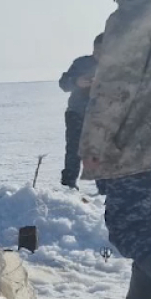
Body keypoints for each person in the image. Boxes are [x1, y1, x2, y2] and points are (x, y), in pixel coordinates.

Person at [80, 0, 151, 299]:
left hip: (142, 145)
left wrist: (94, 144)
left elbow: (115, 87)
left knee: (130, 227)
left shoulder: (133, 15)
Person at [59, 34, 106, 193]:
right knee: (74, 150)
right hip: (77, 114)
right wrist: (76, 82)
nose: (100, 53)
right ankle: (68, 187)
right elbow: (63, 83)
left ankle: (104, 189)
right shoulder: (81, 63)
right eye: (97, 50)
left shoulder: (117, 66)